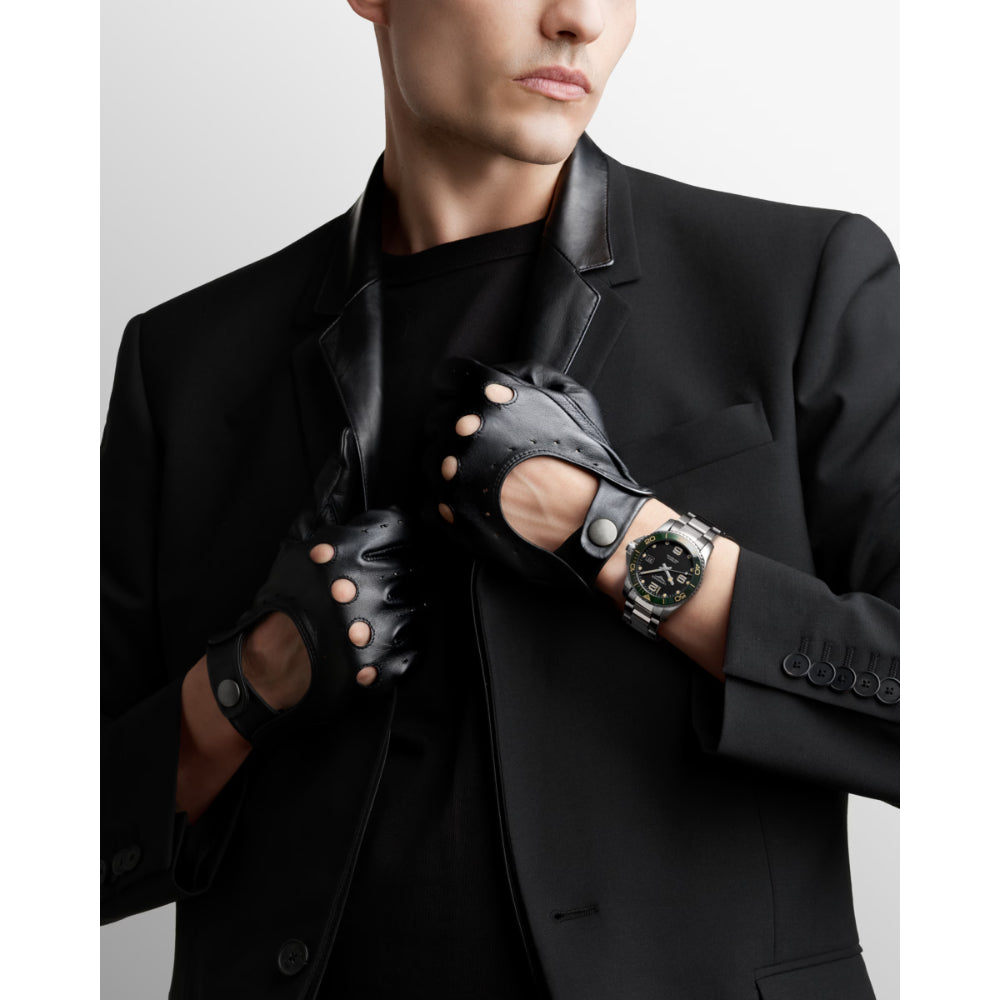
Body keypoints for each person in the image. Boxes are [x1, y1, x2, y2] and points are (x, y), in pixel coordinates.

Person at [101, 1, 899, 997]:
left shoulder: (797, 285)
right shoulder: (187, 365)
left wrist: (617, 535)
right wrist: (249, 681)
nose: (579, 19)